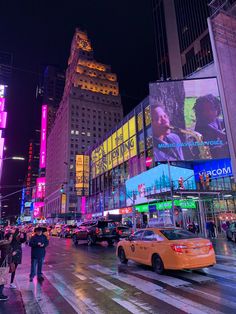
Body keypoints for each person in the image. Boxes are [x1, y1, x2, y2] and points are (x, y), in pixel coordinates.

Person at [194, 94, 228, 158]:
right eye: (206, 110)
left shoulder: (216, 120)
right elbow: (224, 136)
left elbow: (227, 123)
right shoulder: (203, 124)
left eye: (212, 109)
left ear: (217, 108)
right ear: (200, 111)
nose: (209, 112)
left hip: (218, 149)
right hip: (208, 153)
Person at [0, 233, 13, 301]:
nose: (11, 238)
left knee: (1, 279)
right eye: (10, 237)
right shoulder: (6, 245)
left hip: (1, 263)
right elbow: (5, 255)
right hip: (4, 264)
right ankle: (0, 295)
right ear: (7, 237)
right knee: (2, 280)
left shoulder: (2, 243)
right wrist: (11, 254)